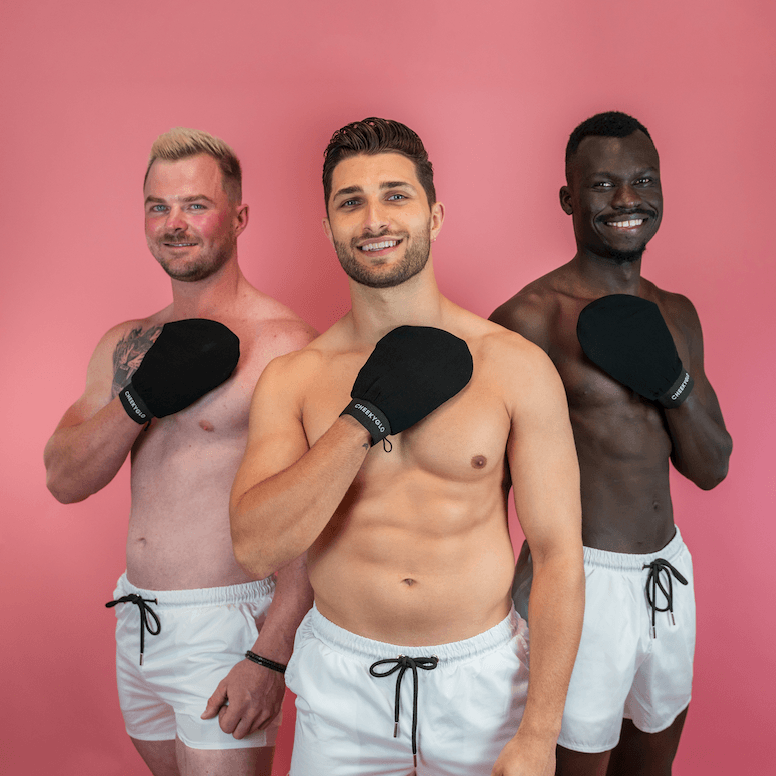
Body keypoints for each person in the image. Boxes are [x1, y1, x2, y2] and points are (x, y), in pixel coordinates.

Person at [230, 117, 584, 776]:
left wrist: (540, 732)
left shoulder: (514, 366)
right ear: (328, 226)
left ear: (434, 215)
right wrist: (361, 420)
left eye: (395, 195)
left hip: (483, 684)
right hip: (343, 686)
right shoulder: (295, 379)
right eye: (351, 202)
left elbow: (559, 553)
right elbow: (257, 547)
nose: (374, 219)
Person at [44, 128, 316, 776]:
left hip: (227, 624)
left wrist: (271, 652)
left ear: (239, 217)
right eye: (158, 206)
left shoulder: (286, 345)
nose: (175, 223)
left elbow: (315, 514)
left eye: (196, 205)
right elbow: (64, 478)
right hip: (138, 616)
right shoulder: (127, 344)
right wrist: (138, 400)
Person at [490, 111, 733, 776]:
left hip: (666, 575)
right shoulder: (528, 319)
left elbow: (711, 466)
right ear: (568, 199)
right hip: (577, 582)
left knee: (652, 764)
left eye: (643, 180)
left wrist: (673, 382)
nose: (628, 199)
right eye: (602, 185)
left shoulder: (676, 313)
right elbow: (488, 483)